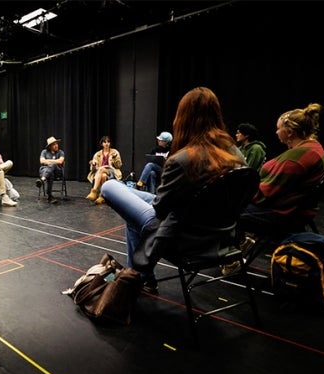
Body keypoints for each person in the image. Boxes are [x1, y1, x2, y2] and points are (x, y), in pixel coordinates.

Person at [100, 86, 246, 293]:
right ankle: (142, 278)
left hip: (181, 237)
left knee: (109, 186)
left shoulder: (182, 159)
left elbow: (160, 210)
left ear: (183, 118)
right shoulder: (236, 154)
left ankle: (141, 277)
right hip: (220, 236)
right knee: (133, 208)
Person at [237, 103, 324, 238]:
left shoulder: (296, 159)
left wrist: (241, 194)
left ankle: (232, 253)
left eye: (278, 129)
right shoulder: (313, 148)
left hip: (281, 214)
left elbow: (265, 195)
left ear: (289, 132)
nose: (276, 132)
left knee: (225, 210)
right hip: (290, 209)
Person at [85, 135, 123, 204]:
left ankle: (94, 191)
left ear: (110, 143)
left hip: (111, 170)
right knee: (103, 176)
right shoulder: (98, 154)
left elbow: (119, 166)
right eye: (104, 142)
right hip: (100, 172)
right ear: (102, 144)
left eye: (108, 142)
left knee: (101, 169)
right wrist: (93, 164)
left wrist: (115, 158)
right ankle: (102, 196)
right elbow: (93, 170)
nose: (106, 143)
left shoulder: (115, 152)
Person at [36, 136, 65, 204]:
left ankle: (42, 179)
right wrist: (55, 161)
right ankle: (50, 196)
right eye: (54, 144)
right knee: (50, 173)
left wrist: (48, 161)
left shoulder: (61, 152)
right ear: (50, 146)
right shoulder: (44, 152)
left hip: (57, 172)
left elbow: (60, 161)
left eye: (56, 144)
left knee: (53, 165)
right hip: (45, 171)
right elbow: (42, 161)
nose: (56, 145)